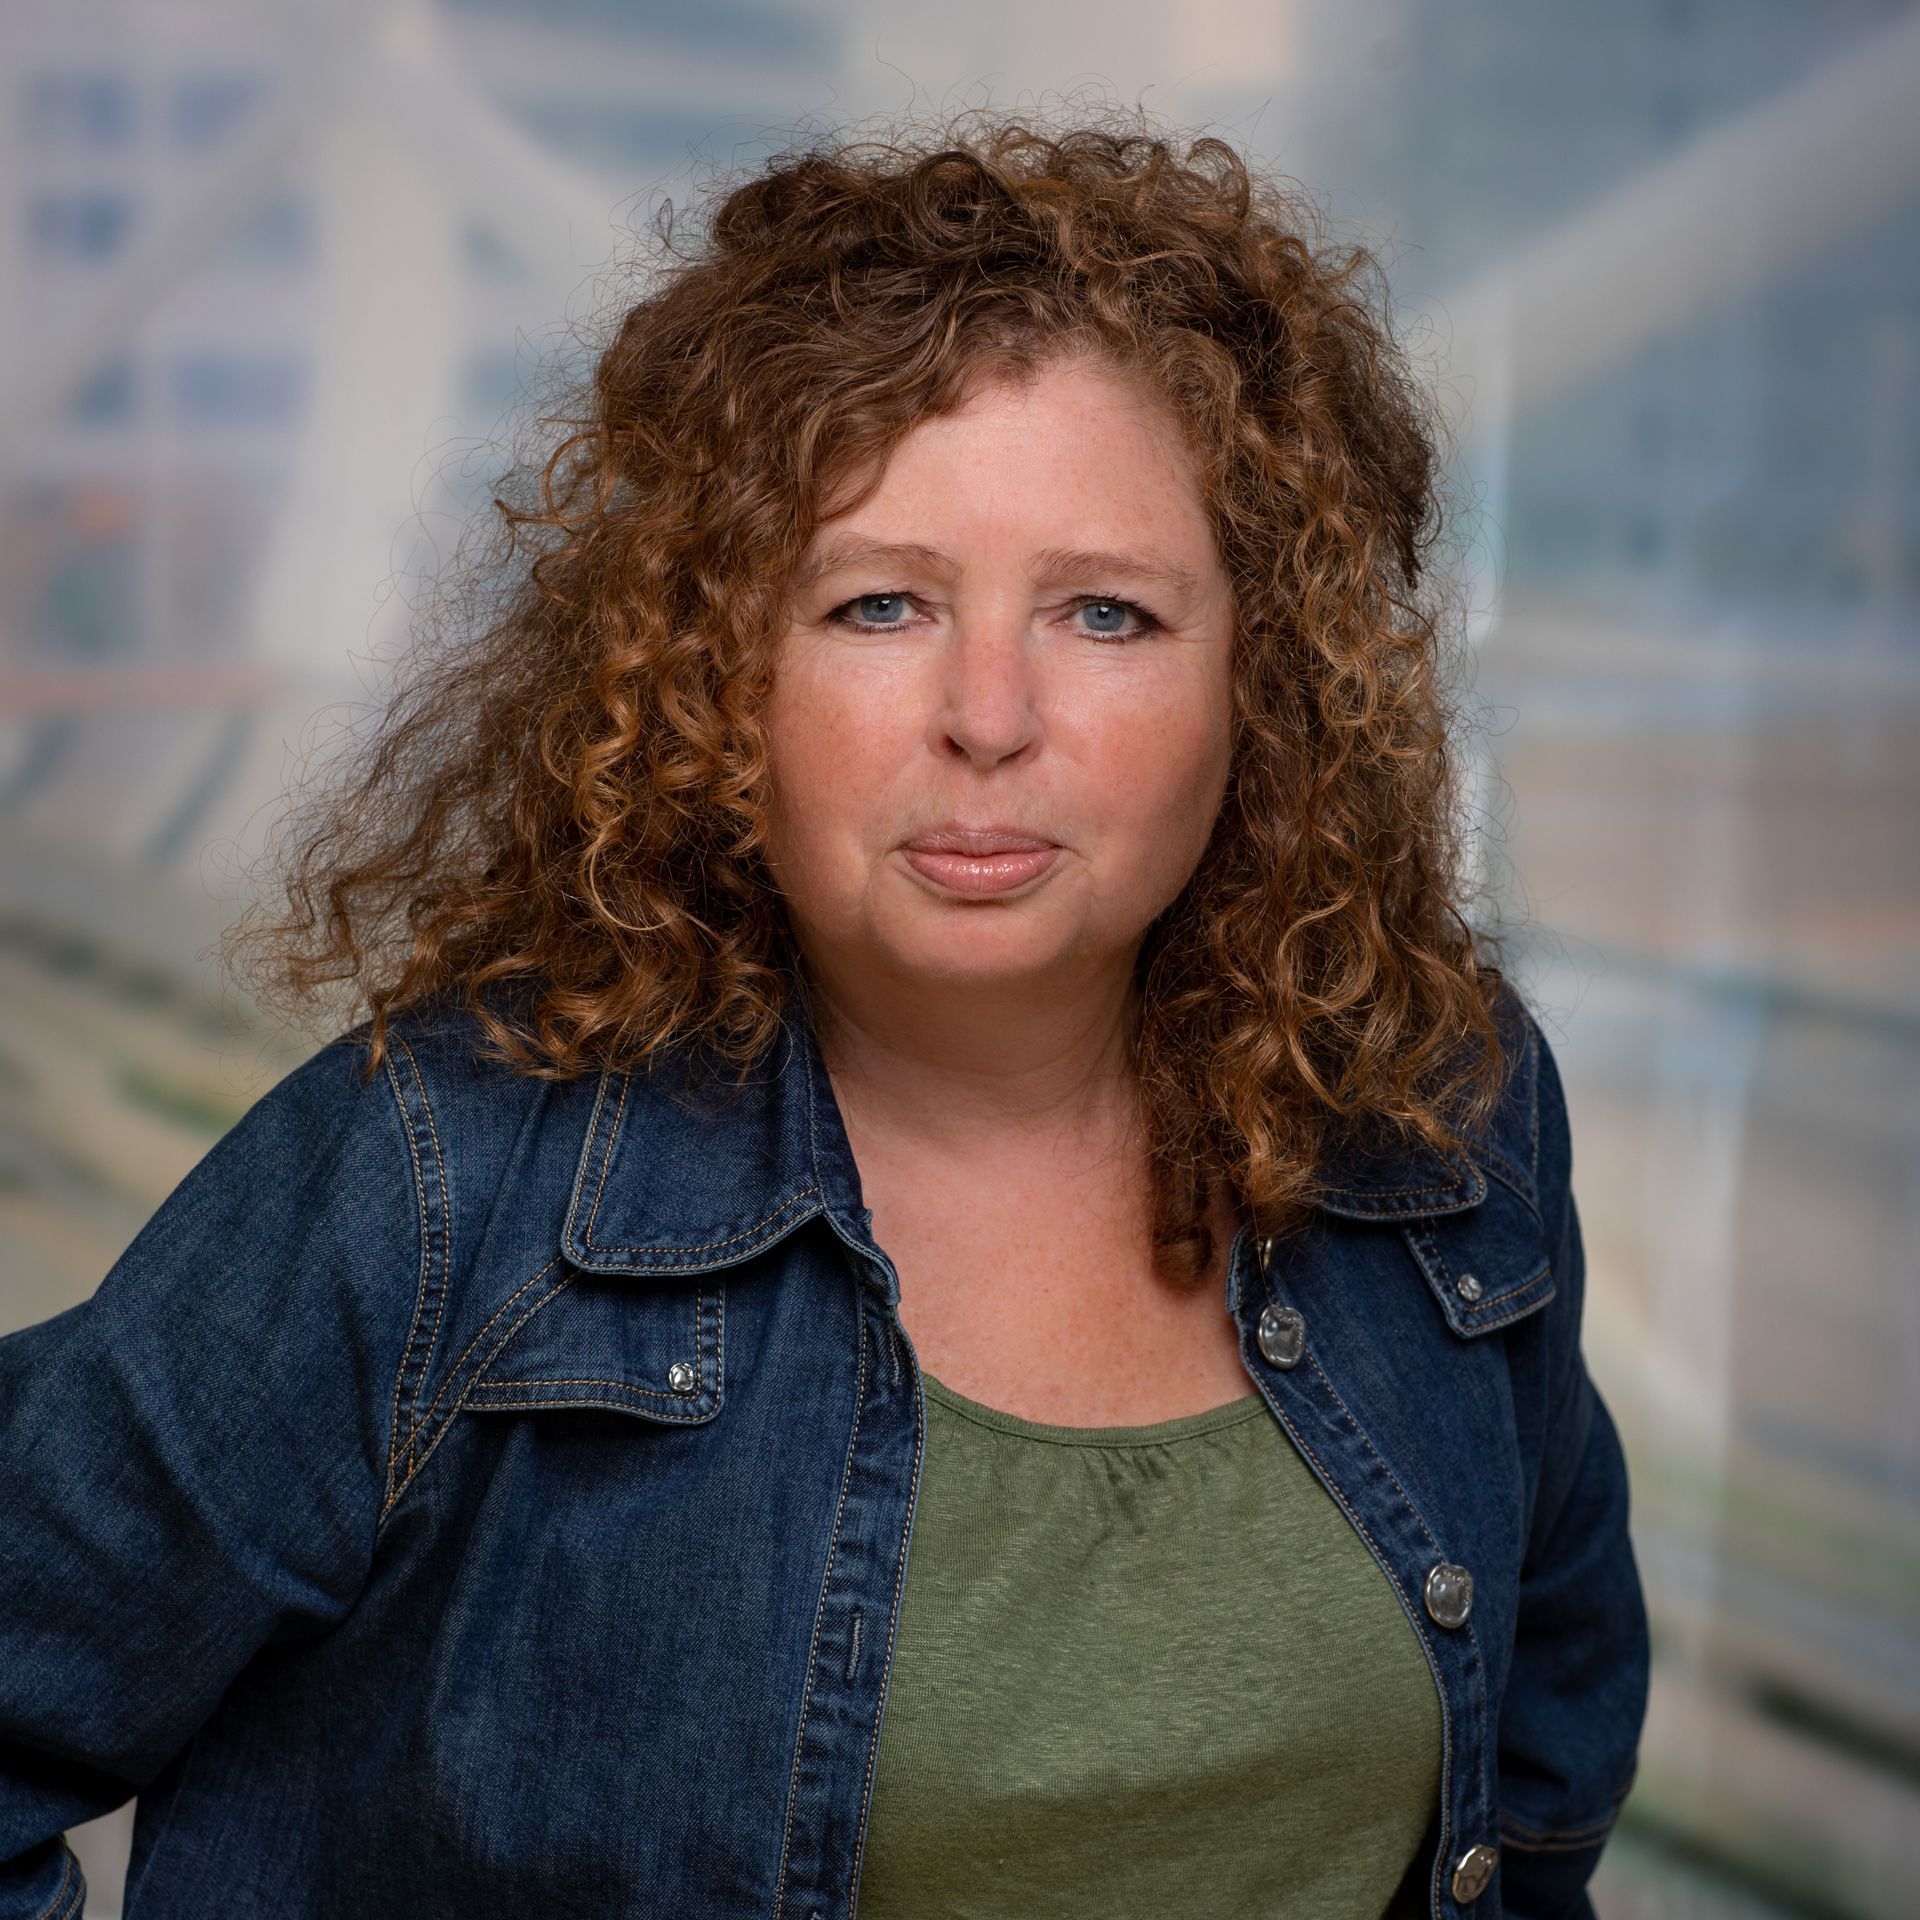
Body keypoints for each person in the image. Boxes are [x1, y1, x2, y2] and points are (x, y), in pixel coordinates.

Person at [0, 112, 1649, 1919]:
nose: (989, 716)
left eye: (1107, 614)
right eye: (878, 605)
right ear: (710, 672)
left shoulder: (1446, 1107)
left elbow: (1541, 1772)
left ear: (1267, 681)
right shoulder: (437, 1181)